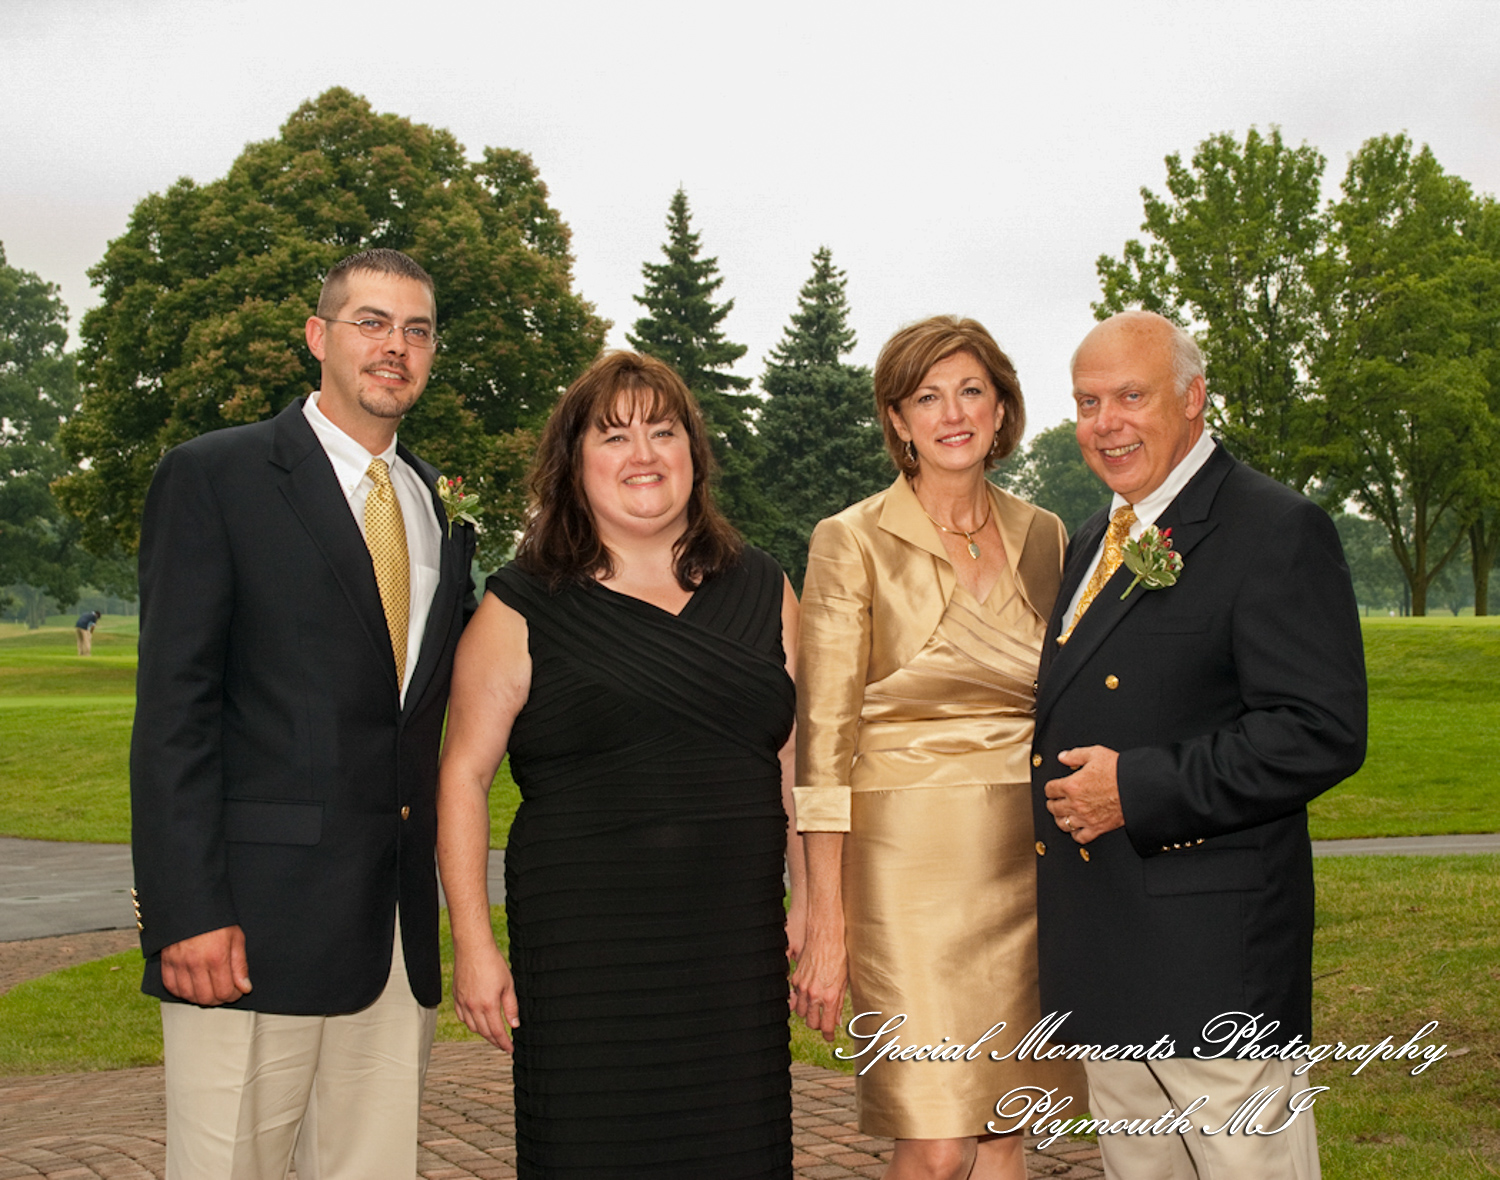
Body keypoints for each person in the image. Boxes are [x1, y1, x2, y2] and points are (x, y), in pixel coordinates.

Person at [130, 248, 476, 1179]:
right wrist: (184, 911)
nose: (394, 347)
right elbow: (174, 712)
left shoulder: (433, 504)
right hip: (249, 932)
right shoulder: (217, 476)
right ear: (319, 337)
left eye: (416, 330)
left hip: (395, 933)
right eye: (371, 322)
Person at [437, 349, 802, 1178]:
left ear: (693, 454)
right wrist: (473, 942)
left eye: (663, 432)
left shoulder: (767, 588)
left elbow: (796, 758)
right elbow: (462, 776)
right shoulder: (520, 602)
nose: (643, 454)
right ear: (573, 465)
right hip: (586, 958)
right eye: (613, 437)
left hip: (731, 948)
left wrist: (814, 906)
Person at [1032, 310, 1367, 1179]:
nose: (1106, 422)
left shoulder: (1273, 528)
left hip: (1216, 965)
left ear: (1193, 399)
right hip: (1112, 951)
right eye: (1087, 402)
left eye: (1130, 396)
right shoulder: (1092, 543)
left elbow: (1318, 732)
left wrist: (1135, 791)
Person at [792, 316, 1085, 1180]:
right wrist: (825, 920)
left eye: (971, 391)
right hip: (904, 868)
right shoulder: (850, 539)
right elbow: (823, 740)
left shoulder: (1047, 535)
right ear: (897, 419)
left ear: (1001, 410)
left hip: (1028, 859)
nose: (952, 413)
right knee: (935, 1133)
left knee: (1005, 1125)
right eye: (927, 397)